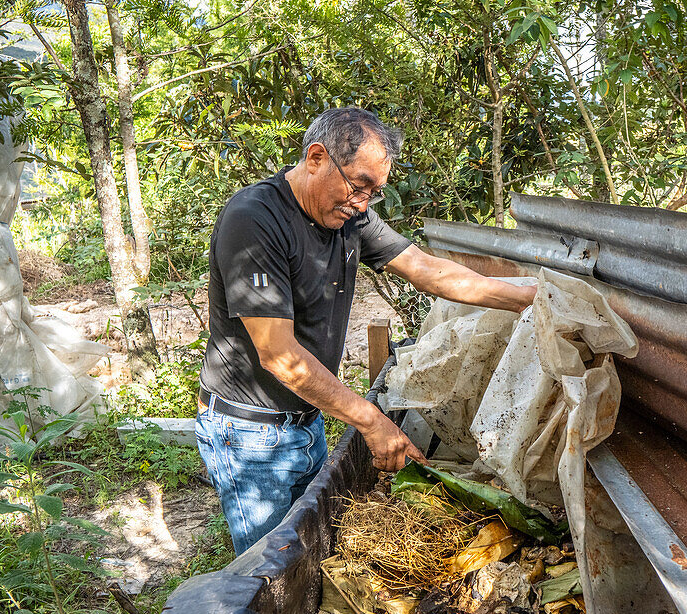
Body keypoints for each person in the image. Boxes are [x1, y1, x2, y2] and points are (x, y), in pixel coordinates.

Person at [195, 107, 535, 554]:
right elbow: (278, 353)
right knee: (273, 569)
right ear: (316, 157)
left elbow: (426, 270)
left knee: (314, 549)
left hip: (307, 418)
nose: (363, 203)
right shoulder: (255, 220)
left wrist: (533, 299)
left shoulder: (350, 215)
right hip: (250, 435)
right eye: (359, 186)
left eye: (374, 193)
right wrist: (371, 420)